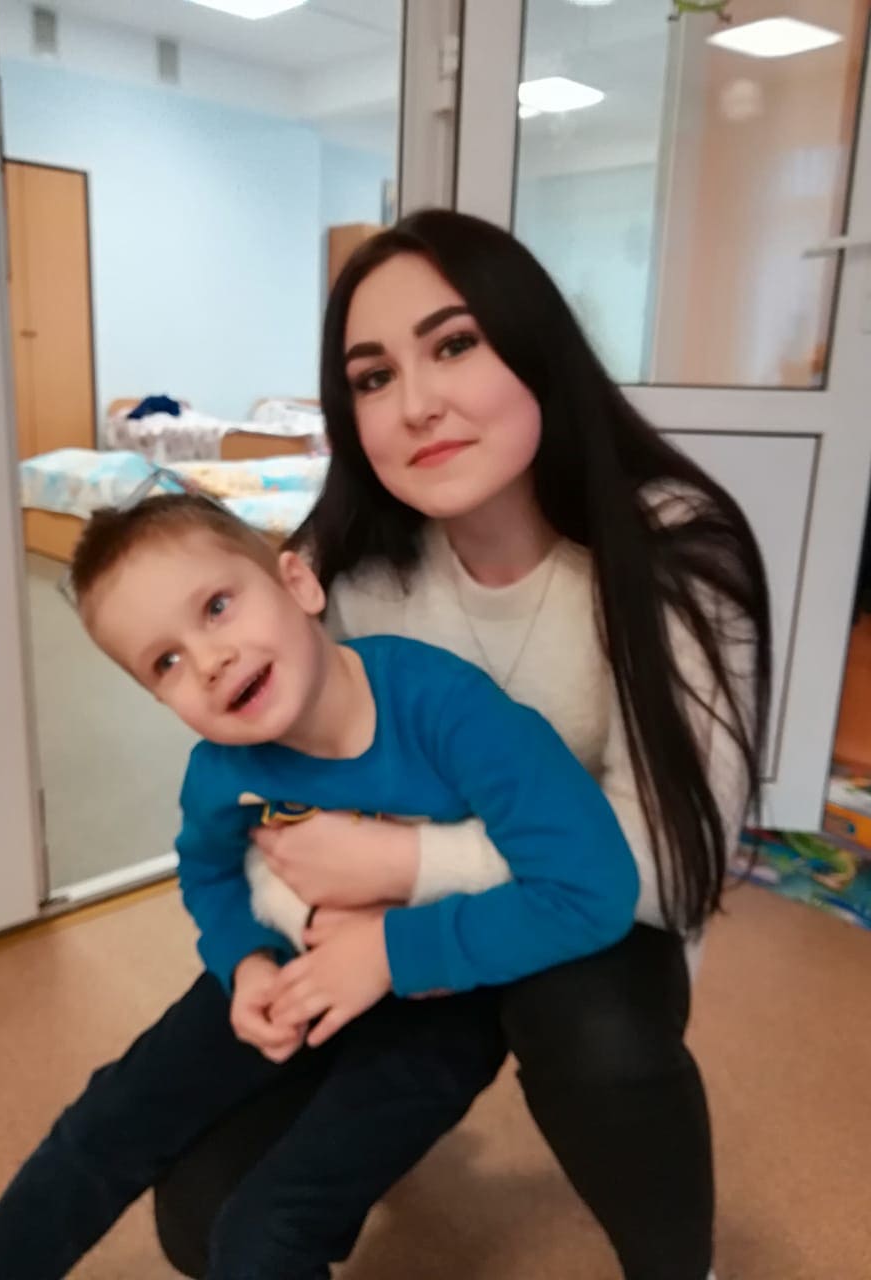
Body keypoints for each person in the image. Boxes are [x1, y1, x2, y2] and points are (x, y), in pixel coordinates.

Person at [152, 208, 771, 1280]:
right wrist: (287, 930)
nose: (416, 404)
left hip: (588, 928)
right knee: (204, 1219)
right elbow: (268, 803)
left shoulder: (672, 553)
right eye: (373, 375)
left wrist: (403, 863)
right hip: (390, 927)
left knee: (597, 1031)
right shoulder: (342, 563)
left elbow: (671, 866)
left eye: (454, 344)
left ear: (535, 346)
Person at [0, 489, 638, 1280]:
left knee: (267, 1229)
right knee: (105, 1123)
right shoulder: (220, 775)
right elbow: (208, 871)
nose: (208, 660)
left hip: (443, 1000)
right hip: (294, 971)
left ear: (298, 584)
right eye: (166, 662)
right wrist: (243, 964)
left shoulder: (448, 708)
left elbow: (593, 887)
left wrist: (388, 951)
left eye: (217, 607)